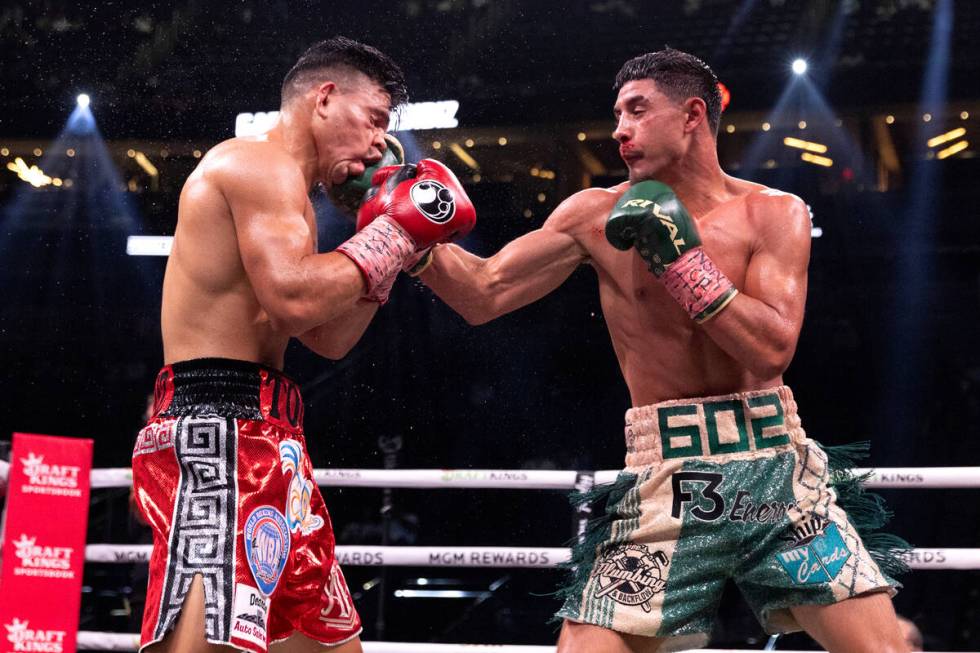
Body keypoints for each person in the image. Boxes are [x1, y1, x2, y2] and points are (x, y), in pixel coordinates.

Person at [412, 48, 908, 653]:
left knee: (884, 650)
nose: (620, 129)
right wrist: (402, 232)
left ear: (693, 114)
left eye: (638, 110)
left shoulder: (772, 213)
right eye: (617, 114)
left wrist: (681, 263)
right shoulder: (594, 214)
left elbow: (771, 349)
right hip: (661, 475)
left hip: (775, 471)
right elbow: (482, 293)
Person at [131, 37, 475, 653]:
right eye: (373, 119)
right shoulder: (252, 164)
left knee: (327, 643)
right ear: (324, 98)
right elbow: (295, 298)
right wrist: (395, 233)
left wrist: (383, 235)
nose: (379, 143)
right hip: (219, 427)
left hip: (273, 435)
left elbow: (327, 335)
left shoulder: (295, 199)